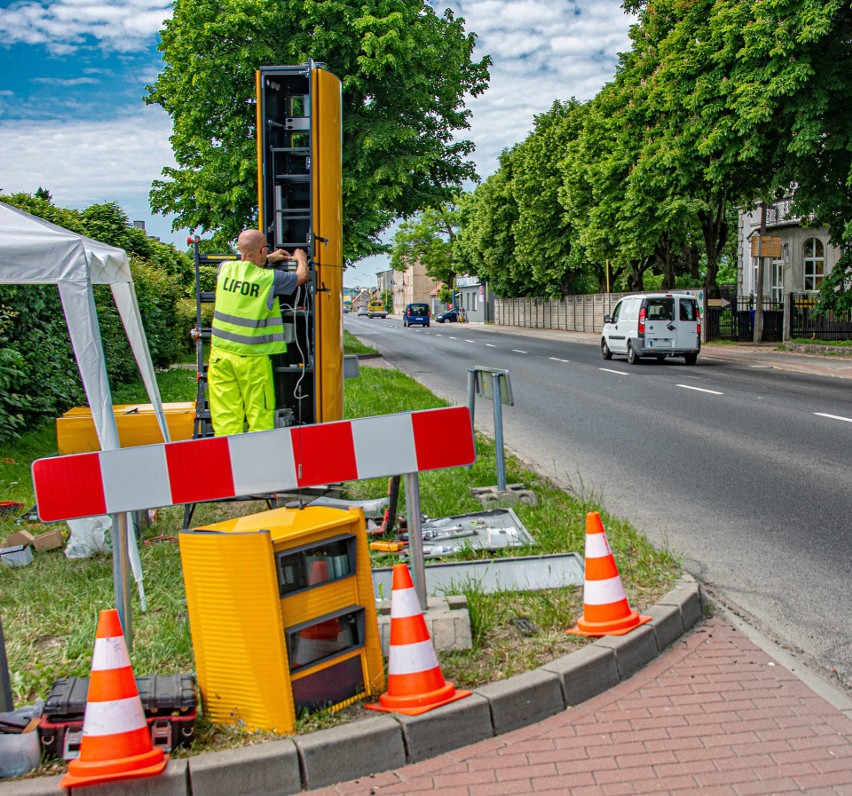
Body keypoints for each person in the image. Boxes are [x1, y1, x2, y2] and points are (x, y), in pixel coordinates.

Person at [207, 228, 309, 436]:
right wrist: (300, 258)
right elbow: (302, 277)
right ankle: (258, 463)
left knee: (226, 419)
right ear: (262, 250)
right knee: (259, 417)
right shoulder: (268, 279)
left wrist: (268, 256)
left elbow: (245, 263)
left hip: (220, 358)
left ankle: (229, 462)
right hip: (252, 360)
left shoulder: (224, 269)